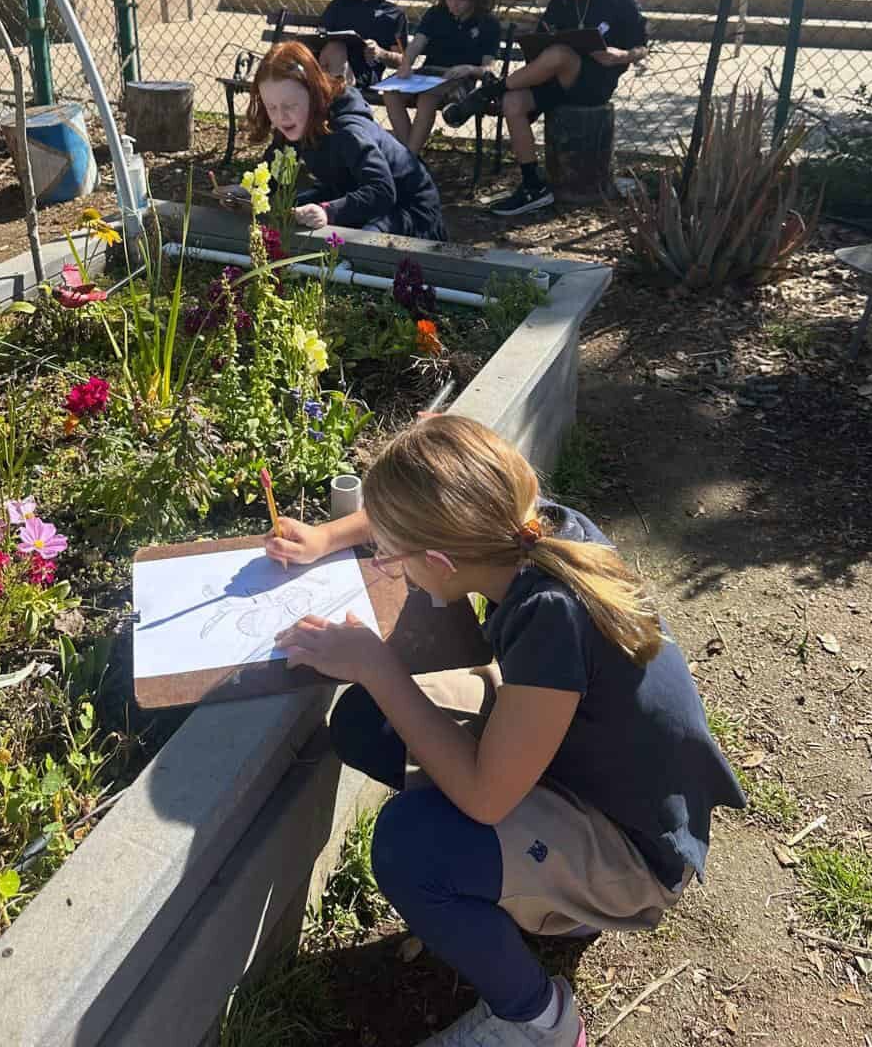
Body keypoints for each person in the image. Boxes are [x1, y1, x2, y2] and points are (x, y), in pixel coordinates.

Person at [268, 416, 746, 1047]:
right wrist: (328, 536)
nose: (383, 562)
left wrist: (374, 663)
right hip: (585, 773)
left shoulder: (551, 620)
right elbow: (438, 499)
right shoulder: (526, 526)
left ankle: (539, 1019)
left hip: (638, 854)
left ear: (439, 562)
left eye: (388, 554)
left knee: (411, 846)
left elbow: (487, 799)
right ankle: (536, 894)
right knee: (366, 722)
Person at [444, 0, 648, 217]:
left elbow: (643, 47)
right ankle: (532, 185)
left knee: (561, 54)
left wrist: (622, 56)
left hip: (594, 84)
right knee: (514, 102)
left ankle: (489, 90)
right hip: (555, 80)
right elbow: (544, 38)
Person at [235, 41, 446, 241]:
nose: (281, 116)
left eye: (289, 105)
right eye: (272, 107)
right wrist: (249, 191)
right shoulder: (294, 124)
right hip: (352, 192)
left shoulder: (349, 132)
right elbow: (277, 174)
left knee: (360, 243)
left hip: (409, 210)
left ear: (314, 93)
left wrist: (328, 211)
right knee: (287, 214)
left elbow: (382, 191)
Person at [382, 0, 501, 156]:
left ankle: (407, 161)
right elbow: (417, 43)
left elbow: (489, 68)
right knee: (390, 92)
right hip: (428, 74)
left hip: (459, 79)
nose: (452, 4)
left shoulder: (488, 23)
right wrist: (406, 63)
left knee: (427, 98)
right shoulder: (437, 14)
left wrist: (470, 69)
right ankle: (410, 158)